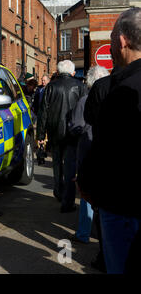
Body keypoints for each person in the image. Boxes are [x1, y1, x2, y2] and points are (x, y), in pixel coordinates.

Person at [77, 7, 141, 274]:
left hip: (123, 203)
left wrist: (86, 182)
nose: (111, 45)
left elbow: (105, 148)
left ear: (123, 40)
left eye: (113, 38)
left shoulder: (121, 89)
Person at [37, 60, 86, 212]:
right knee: (71, 166)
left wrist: (40, 134)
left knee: (57, 163)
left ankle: (58, 191)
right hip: (73, 132)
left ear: (58, 72)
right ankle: (68, 199)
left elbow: (43, 112)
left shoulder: (50, 87)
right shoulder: (80, 86)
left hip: (55, 131)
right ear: (72, 72)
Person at [68, 66, 109, 242]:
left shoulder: (85, 100)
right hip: (105, 149)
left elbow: (76, 126)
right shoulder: (112, 96)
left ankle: (84, 232)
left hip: (87, 148)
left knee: (86, 191)